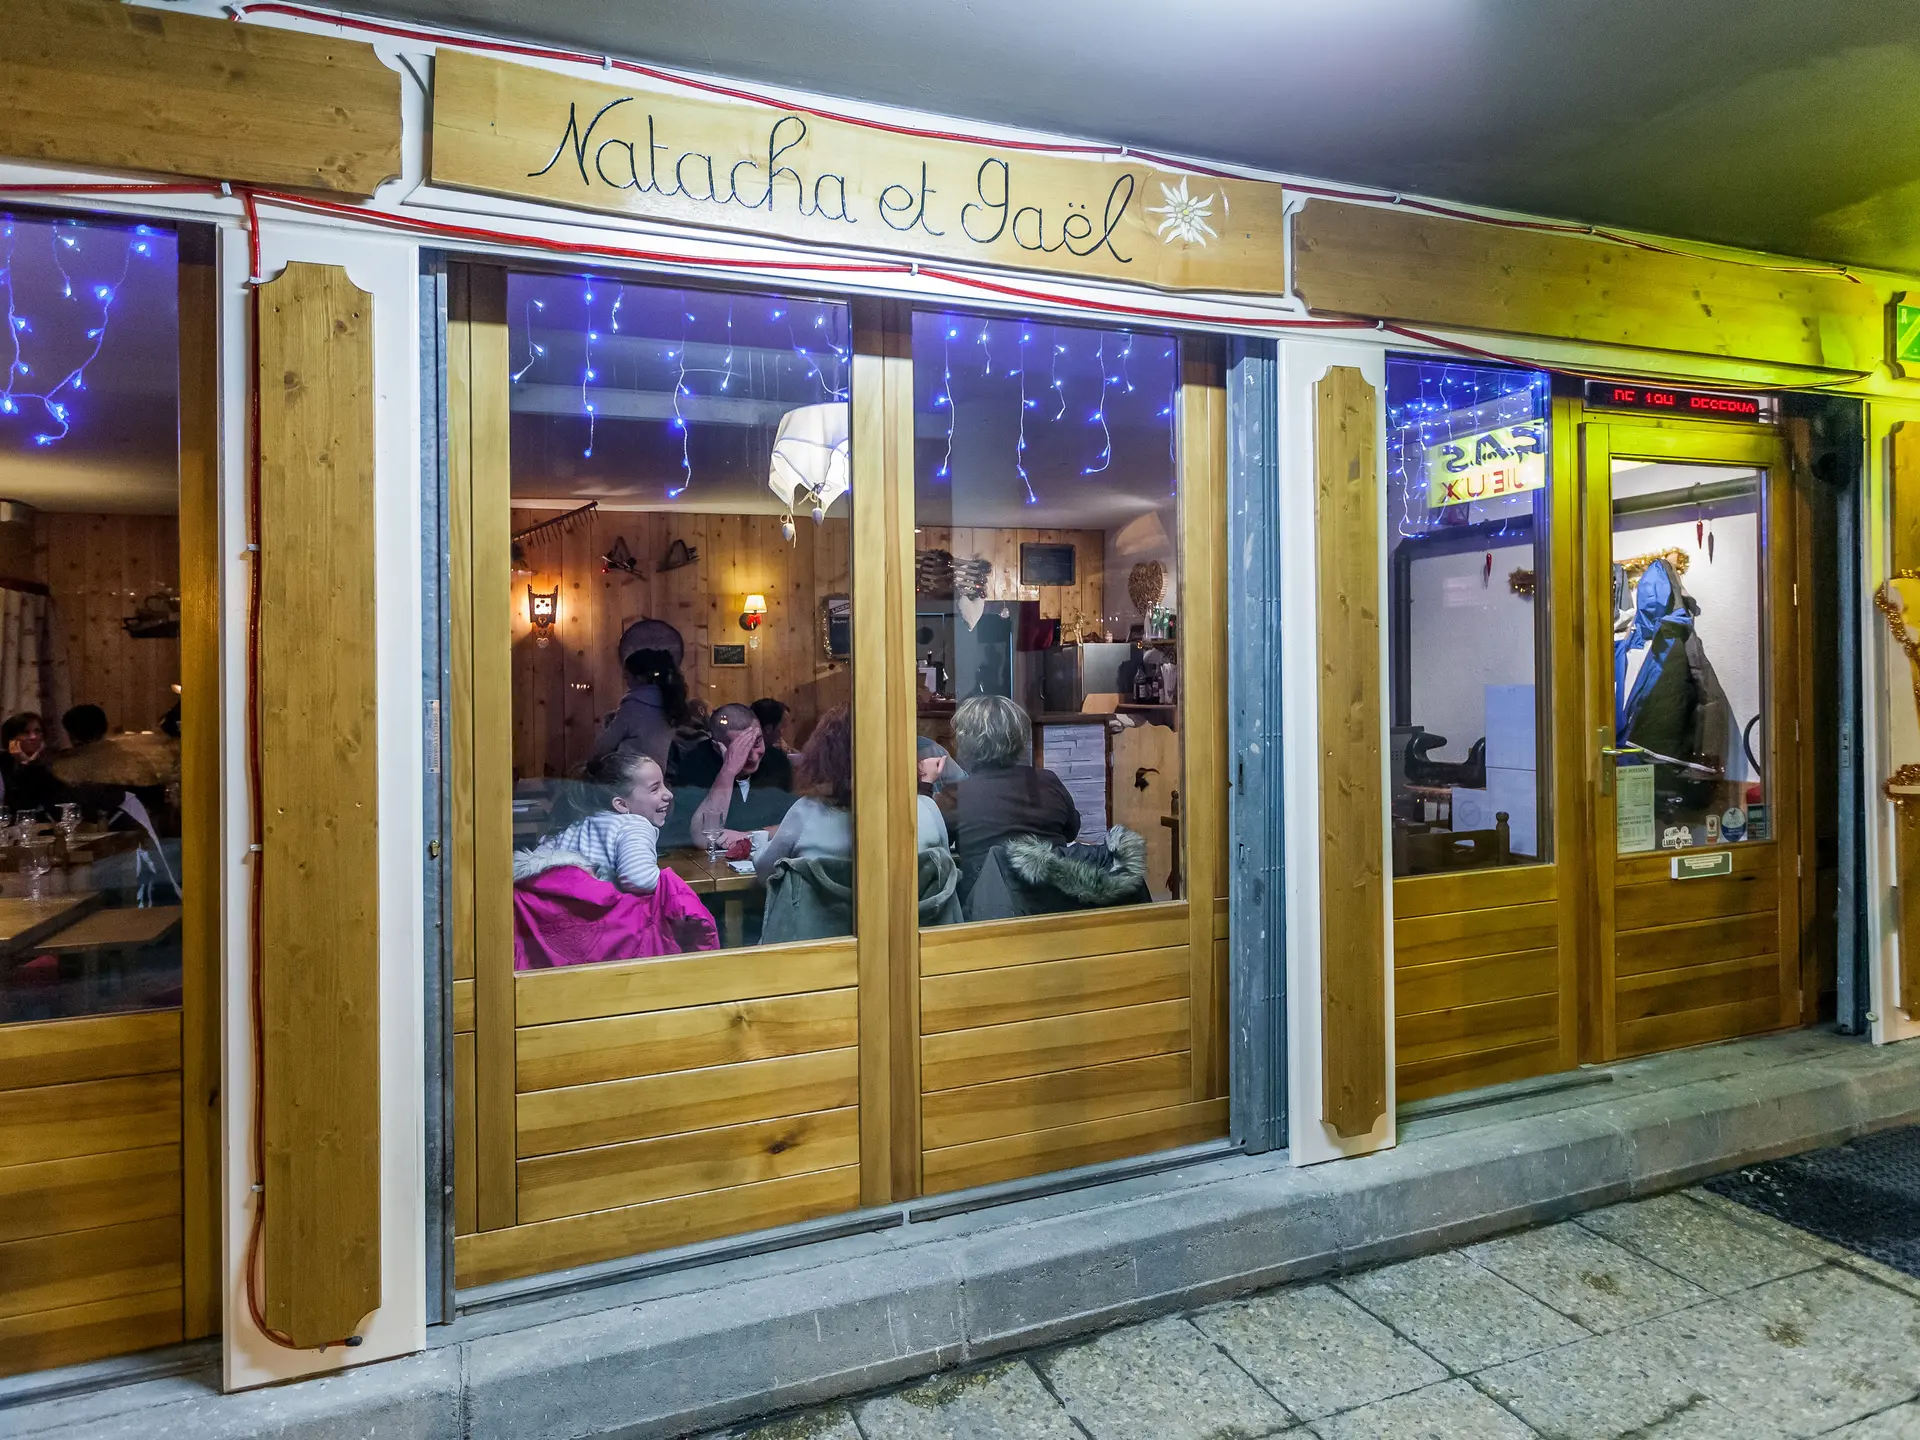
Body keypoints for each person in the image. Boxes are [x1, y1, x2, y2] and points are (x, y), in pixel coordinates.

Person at [754, 706, 944, 882]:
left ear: (824, 756)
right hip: (914, 917)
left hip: (822, 918)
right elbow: (944, 870)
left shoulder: (806, 812)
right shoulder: (926, 809)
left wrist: (759, 844)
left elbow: (765, 874)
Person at [937, 694, 1080, 900]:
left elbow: (930, 843)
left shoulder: (954, 794)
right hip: (1053, 904)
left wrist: (924, 784)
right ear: (1019, 737)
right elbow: (1071, 830)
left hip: (987, 911)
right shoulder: (1047, 780)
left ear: (964, 741)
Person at [526, 748, 673, 894]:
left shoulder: (578, 825)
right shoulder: (634, 825)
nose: (669, 794)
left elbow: (536, 862)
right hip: (606, 916)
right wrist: (671, 882)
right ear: (621, 804)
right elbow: (639, 880)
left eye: (664, 785)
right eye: (655, 789)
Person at [665, 702, 795, 849]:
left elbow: (793, 825)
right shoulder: (695, 764)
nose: (753, 756)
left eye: (757, 742)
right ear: (716, 747)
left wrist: (747, 837)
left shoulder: (777, 761)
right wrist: (728, 770)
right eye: (740, 748)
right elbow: (703, 837)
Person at [591, 645, 692, 769]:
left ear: (640, 677)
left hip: (630, 773)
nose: (625, 681)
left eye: (627, 676)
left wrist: (604, 725)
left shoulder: (633, 705)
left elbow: (603, 746)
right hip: (658, 773)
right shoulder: (671, 702)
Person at [0, 711, 61, 815]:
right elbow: (20, 806)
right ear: (11, 739)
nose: (33, 737)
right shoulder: (3, 763)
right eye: (25, 732)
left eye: (38, 731)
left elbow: (58, 800)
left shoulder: (45, 764)